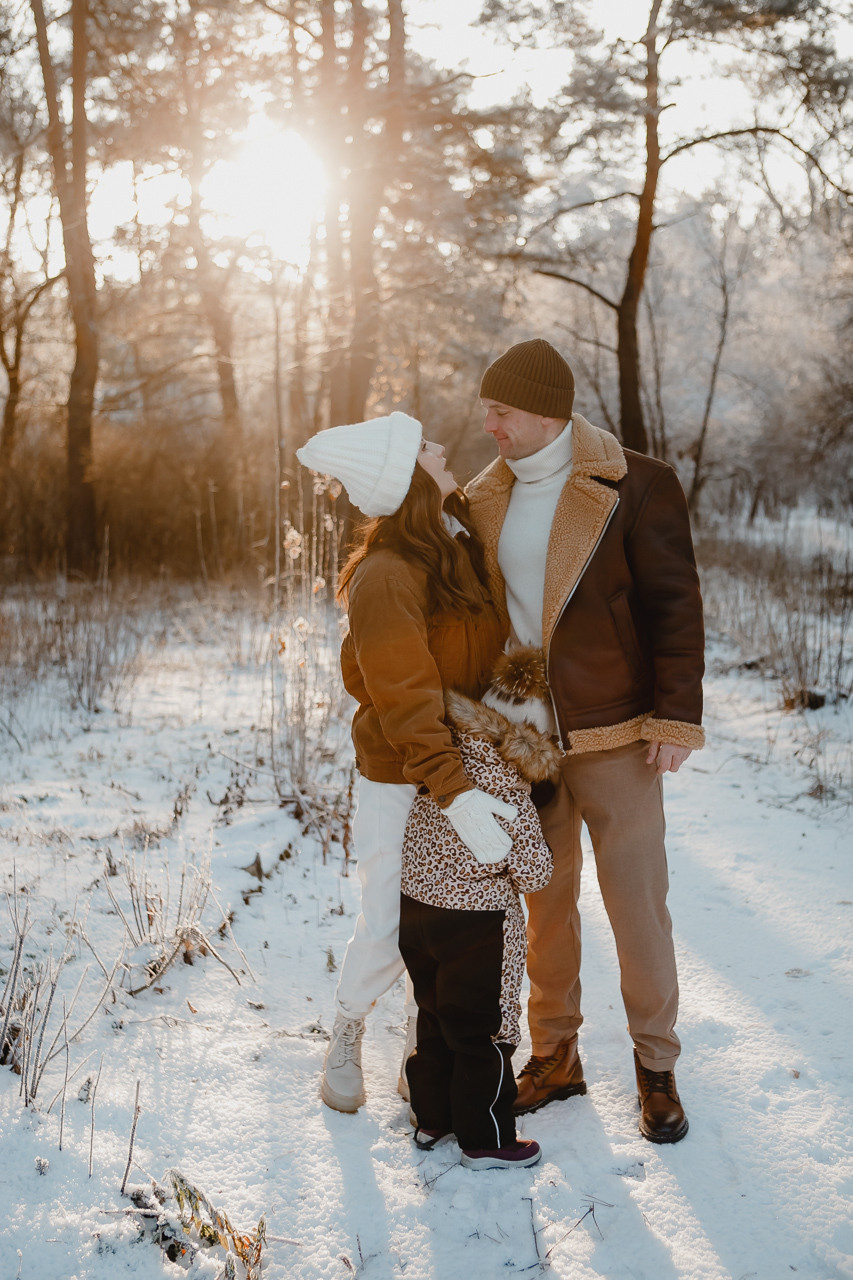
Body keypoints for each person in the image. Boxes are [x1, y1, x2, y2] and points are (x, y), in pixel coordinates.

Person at [466, 339, 705, 1144]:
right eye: (486, 409)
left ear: (544, 412)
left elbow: (674, 606)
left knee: (636, 907)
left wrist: (674, 716)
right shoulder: (482, 497)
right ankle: (555, 1054)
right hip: (524, 740)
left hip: (617, 731)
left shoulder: (638, 485)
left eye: (500, 409)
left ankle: (656, 1064)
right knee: (544, 906)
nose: (488, 424)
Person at [296, 411, 508, 1115]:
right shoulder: (385, 576)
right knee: (388, 917)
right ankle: (348, 1024)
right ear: (406, 477)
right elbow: (406, 698)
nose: (440, 447)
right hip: (402, 774)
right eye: (423, 446)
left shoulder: (456, 545)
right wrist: (454, 791)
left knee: (446, 915)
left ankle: (426, 1046)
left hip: (460, 767)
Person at [399, 647, 559, 1169]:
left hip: (418, 915)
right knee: (482, 1033)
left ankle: (433, 1118)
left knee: (434, 1019)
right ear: (534, 745)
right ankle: (486, 1137)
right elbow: (533, 873)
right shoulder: (511, 793)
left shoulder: (440, 771)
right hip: (479, 930)